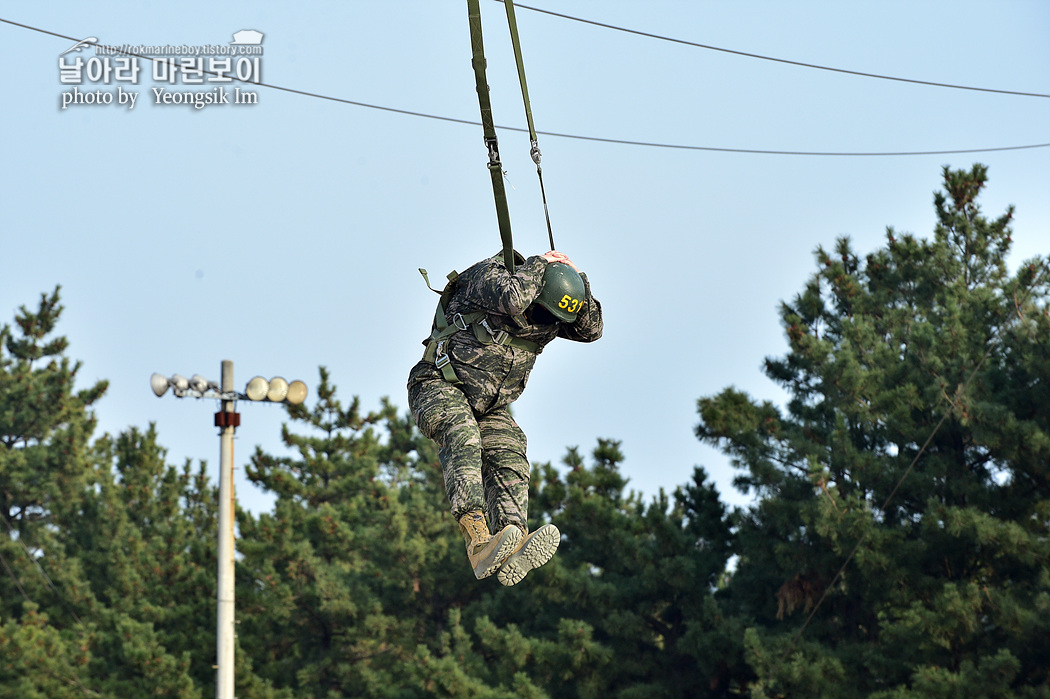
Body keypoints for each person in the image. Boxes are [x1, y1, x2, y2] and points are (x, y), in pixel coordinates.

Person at [407, 250, 603, 585]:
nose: (542, 319)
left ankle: (513, 538)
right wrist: (540, 264)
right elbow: (513, 300)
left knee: (510, 450)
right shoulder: (489, 278)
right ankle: (478, 540)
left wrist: (577, 278)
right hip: (437, 384)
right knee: (462, 433)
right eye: (540, 308)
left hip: (488, 407)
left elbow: (591, 329)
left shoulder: (548, 312)